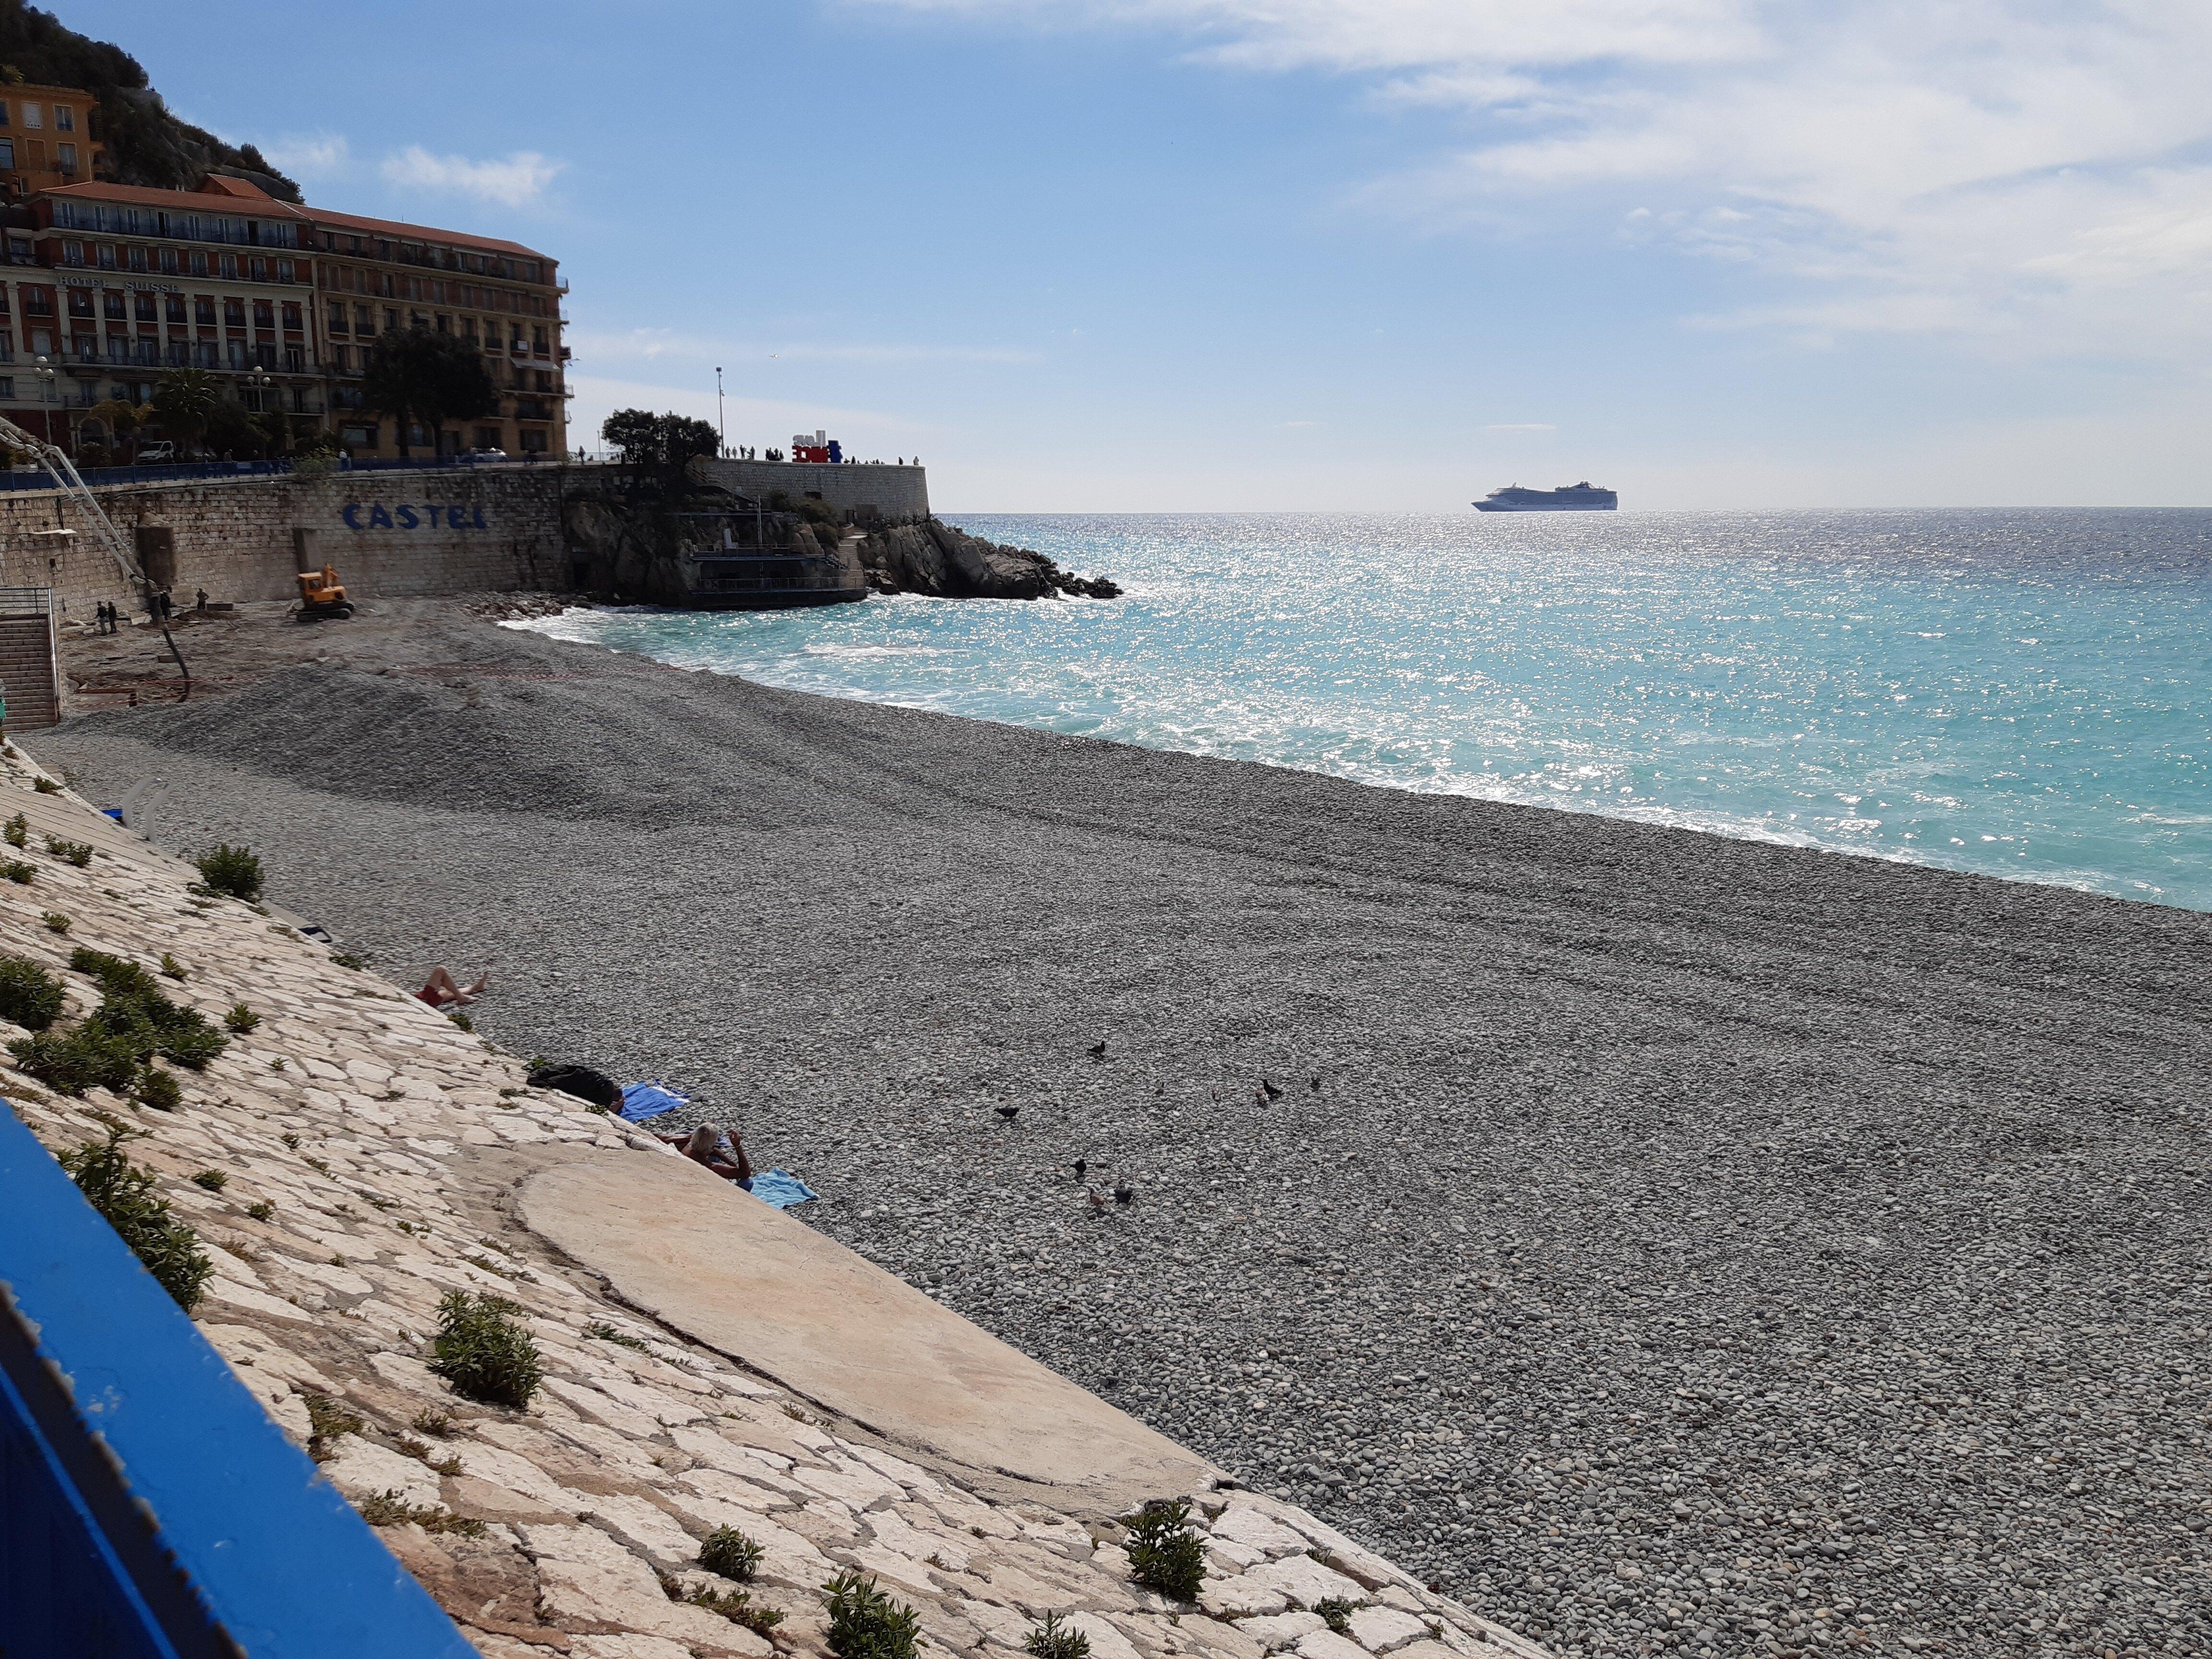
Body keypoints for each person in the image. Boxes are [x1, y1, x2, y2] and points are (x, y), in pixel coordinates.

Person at [659, 1122, 753, 1189]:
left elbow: (712, 1151)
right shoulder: (708, 1165)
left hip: (692, 1171)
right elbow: (745, 1173)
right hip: (701, 1183)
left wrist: (729, 1162)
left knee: (715, 1157)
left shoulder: (690, 1144)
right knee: (747, 1183)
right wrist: (738, 1146)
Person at [415, 966, 488, 1008]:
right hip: (426, 1000)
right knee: (441, 970)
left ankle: (475, 988)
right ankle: (461, 998)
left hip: (424, 1000)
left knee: (449, 992)